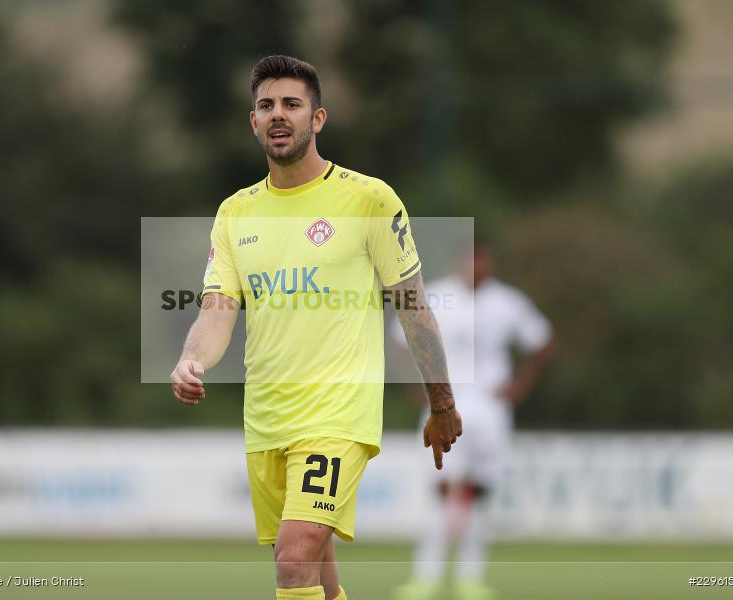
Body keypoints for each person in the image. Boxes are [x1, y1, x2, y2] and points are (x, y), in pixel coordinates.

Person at [169, 55, 462, 600]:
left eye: (291, 104)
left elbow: (413, 306)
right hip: (267, 417)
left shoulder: (367, 198)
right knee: (318, 574)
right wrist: (194, 360)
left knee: (294, 558)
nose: (278, 115)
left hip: (337, 415)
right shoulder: (235, 212)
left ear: (318, 119)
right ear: (252, 122)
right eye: (266, 106)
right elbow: (217, 307)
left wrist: (441, 404)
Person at [392, 244, 555, 600]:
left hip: (490, 409)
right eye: (469, 259)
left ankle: (470, 579)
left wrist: (518, 387)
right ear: (458, 263)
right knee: (439, 490)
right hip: (444, 405)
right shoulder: (437, 294)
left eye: (481, 259)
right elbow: (401, 341)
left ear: (489, 263)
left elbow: (542, 342)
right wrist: (418, 387)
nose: (475, 266)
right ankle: (426, 579)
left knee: (479, 493)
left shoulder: (507, 301)